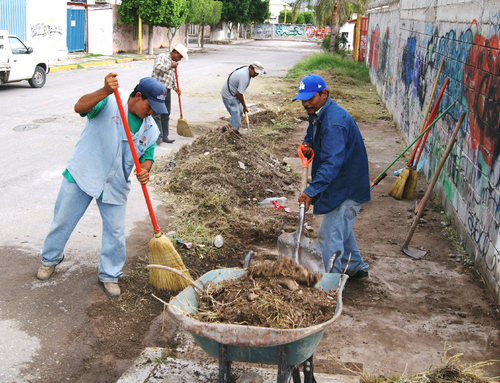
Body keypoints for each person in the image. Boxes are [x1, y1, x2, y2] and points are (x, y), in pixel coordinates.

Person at [36, 72, 167, 297]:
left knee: (115, 233)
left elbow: (148, 157)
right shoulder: (110, 101)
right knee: (62, 221)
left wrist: (145, 171)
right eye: (150, 106)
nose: (152, 112)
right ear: (138, 96)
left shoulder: (151, 129)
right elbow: (79, 107)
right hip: (84, 172)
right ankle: (50, 259)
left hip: (115, 183)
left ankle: (110, 274)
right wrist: (105, 90)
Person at [293, 74, 371, 279]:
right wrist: (308, 144)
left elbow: (332, 162)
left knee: (329, 235)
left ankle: (329, 284)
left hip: (348, 187)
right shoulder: (318, 112)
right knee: (339, 227)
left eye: (310, 98)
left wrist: (311, 191)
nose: (306, 103)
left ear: (324, 94)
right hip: (339, 184)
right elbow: (312, 133)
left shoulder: (334, 122)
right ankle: (355, 267)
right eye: (303, 99)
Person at [151, 43, 189, 144]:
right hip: (157, 90)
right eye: (180, 56)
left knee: (166, 114)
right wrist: (170, 66)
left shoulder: (174, 63)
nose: (180, 59)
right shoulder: (162, 57)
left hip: (167, 91)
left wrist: (176, 88)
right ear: (175, 53)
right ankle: (158, 136)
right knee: (156, 114)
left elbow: (172, 78)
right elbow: (157, 68)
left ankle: (165, 136)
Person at [221, 61, 264, 130]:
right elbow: (239, 94)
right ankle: (233, 134)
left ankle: (233, 130)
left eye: (257, 73)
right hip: (229, 96)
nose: (256, 74)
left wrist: (243, 107)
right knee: (236, 118)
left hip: (233, 94)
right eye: (255, 72)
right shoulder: (244, 77)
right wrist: (244, 106)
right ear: (251, 68)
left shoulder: (246, 70)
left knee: (239, 112)